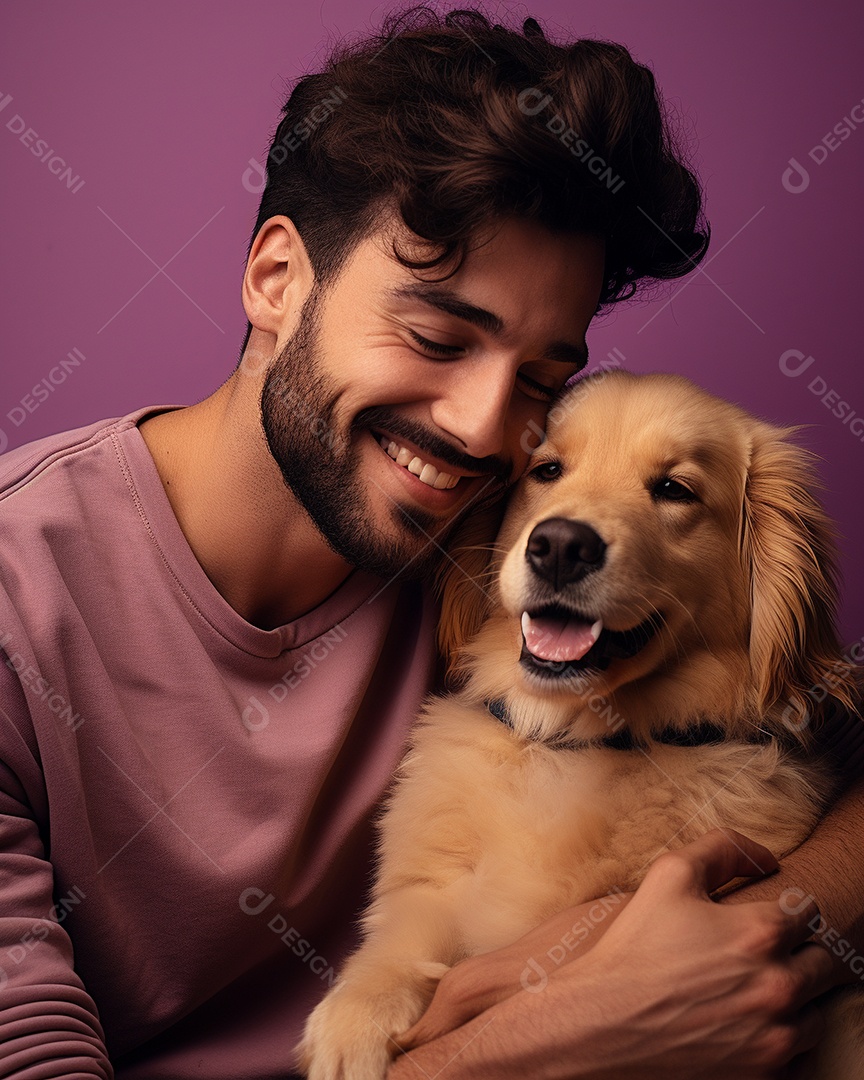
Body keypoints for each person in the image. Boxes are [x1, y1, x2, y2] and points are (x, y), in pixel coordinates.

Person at [0, 6, 860, 1078]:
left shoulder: (509, 559)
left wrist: (762, 934)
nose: (485, 429)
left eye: (541, 380)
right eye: (437, 337)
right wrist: (532, 1042)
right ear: (277, 278)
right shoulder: (17, 599)